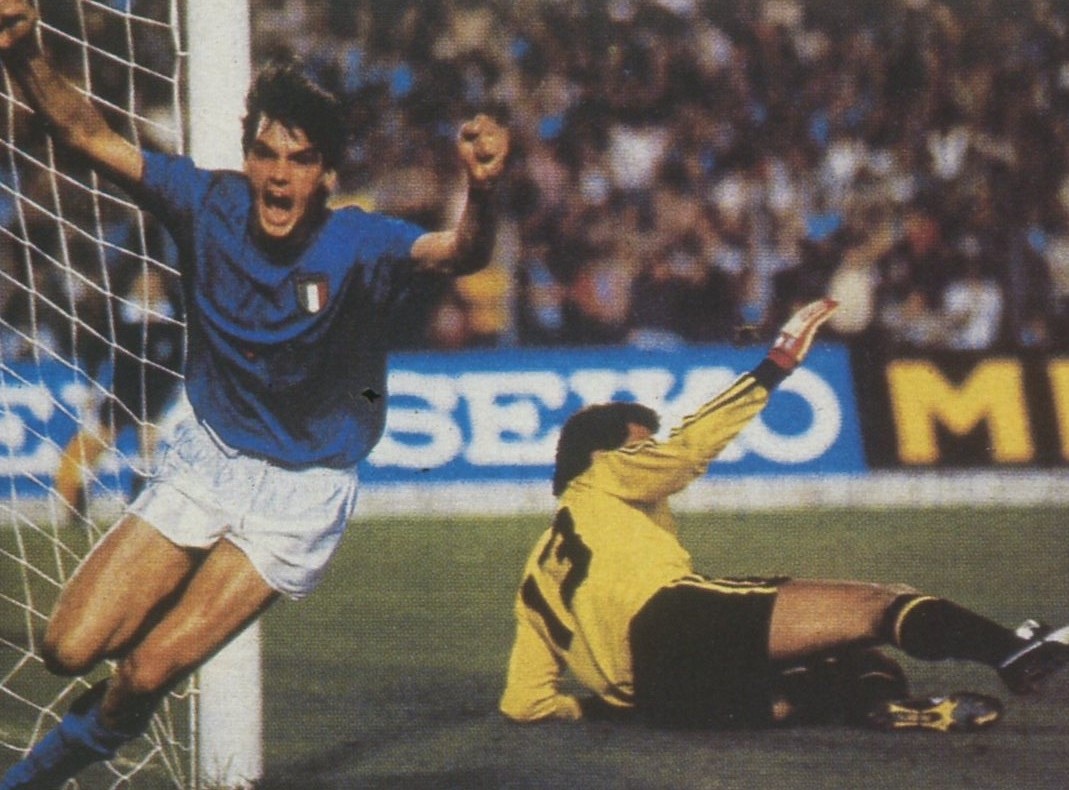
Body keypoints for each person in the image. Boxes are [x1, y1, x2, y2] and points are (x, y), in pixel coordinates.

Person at [0, 0, 508, 786]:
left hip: (300, 494)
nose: (277, 175)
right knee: (65, 647)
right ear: (246, 158)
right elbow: (86, 134)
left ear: (326, 173)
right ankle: (129, 670)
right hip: (210, 459)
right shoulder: (205, 202)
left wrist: (482, 188)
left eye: (299, 160)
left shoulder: (357, 242)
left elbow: (460, 253)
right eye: (265, 155)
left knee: (147, 670)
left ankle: (39, 773)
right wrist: (22, 47)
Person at [499, 298, 1069, 733]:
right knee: (880, 607)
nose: (652, 454)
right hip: (672, 620)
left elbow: (525, 703)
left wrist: (599, 708)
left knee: (851, 666)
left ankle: (877, 708)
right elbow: (689, 450)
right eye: (643, 446)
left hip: (663, 701)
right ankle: (1012, 652)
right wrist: (776, 365)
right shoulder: (600, 474)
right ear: (601, 454)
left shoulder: (536, 575)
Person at [54, 267, 184, 522]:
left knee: (148, 444)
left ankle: (139, 501)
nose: (147, 287)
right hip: (123, 390)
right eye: (143, 281)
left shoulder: (174, 318)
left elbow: (178, 359)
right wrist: (91, 385)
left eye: (153, 282)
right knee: (98, 440)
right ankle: (78, 498)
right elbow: (96, 350)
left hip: (157, 392)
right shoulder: (121, 315)